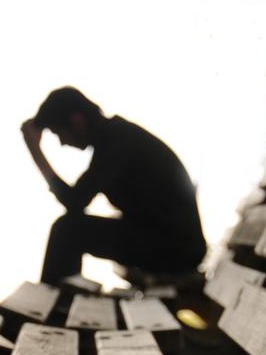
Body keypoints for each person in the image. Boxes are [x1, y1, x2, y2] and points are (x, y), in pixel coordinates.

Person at [21, 86, 207, 285]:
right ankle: (57, 302)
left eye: (60, 133)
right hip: (173, 243)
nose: (62, 143)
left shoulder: (116, 140)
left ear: (77, 121)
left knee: (67, 230)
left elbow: (75, 201)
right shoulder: (116, 136)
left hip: (177, 249)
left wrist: (35, 151)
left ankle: (48, 307)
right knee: (69, 229)